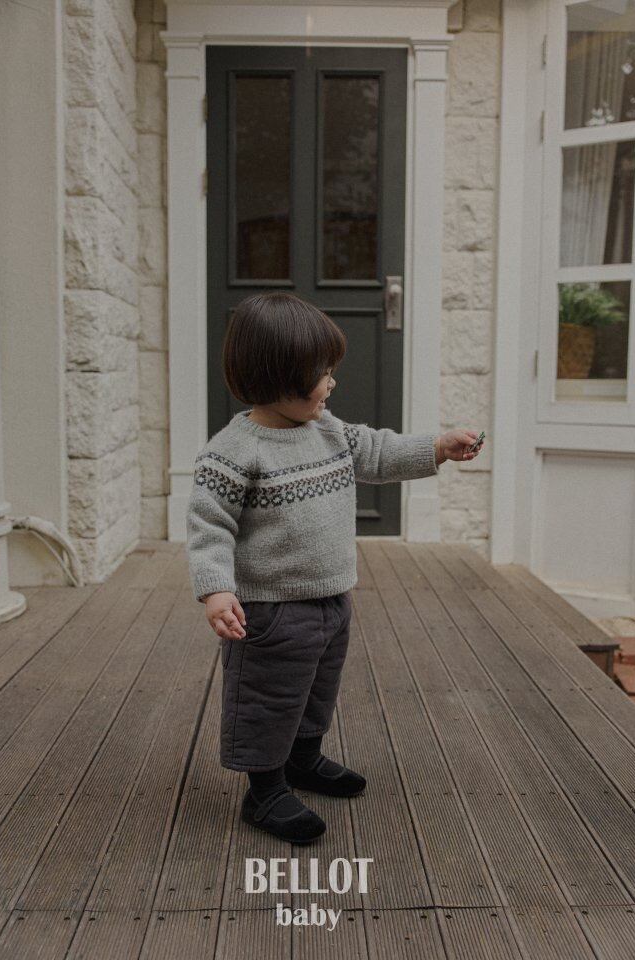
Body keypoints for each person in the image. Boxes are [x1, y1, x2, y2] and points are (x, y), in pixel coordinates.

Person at [186, 291, 484, 844]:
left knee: (315, 689)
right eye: (322, 374)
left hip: (330, 598)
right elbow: (210, 527)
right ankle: (265, 790)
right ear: (279, 377)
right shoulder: (233, 452)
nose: (332, 384)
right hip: (269, 609)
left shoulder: (327, 430)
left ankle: (303, 760)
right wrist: (216, 590)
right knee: (269, 697)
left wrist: (437, 448)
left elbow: (377, 452)